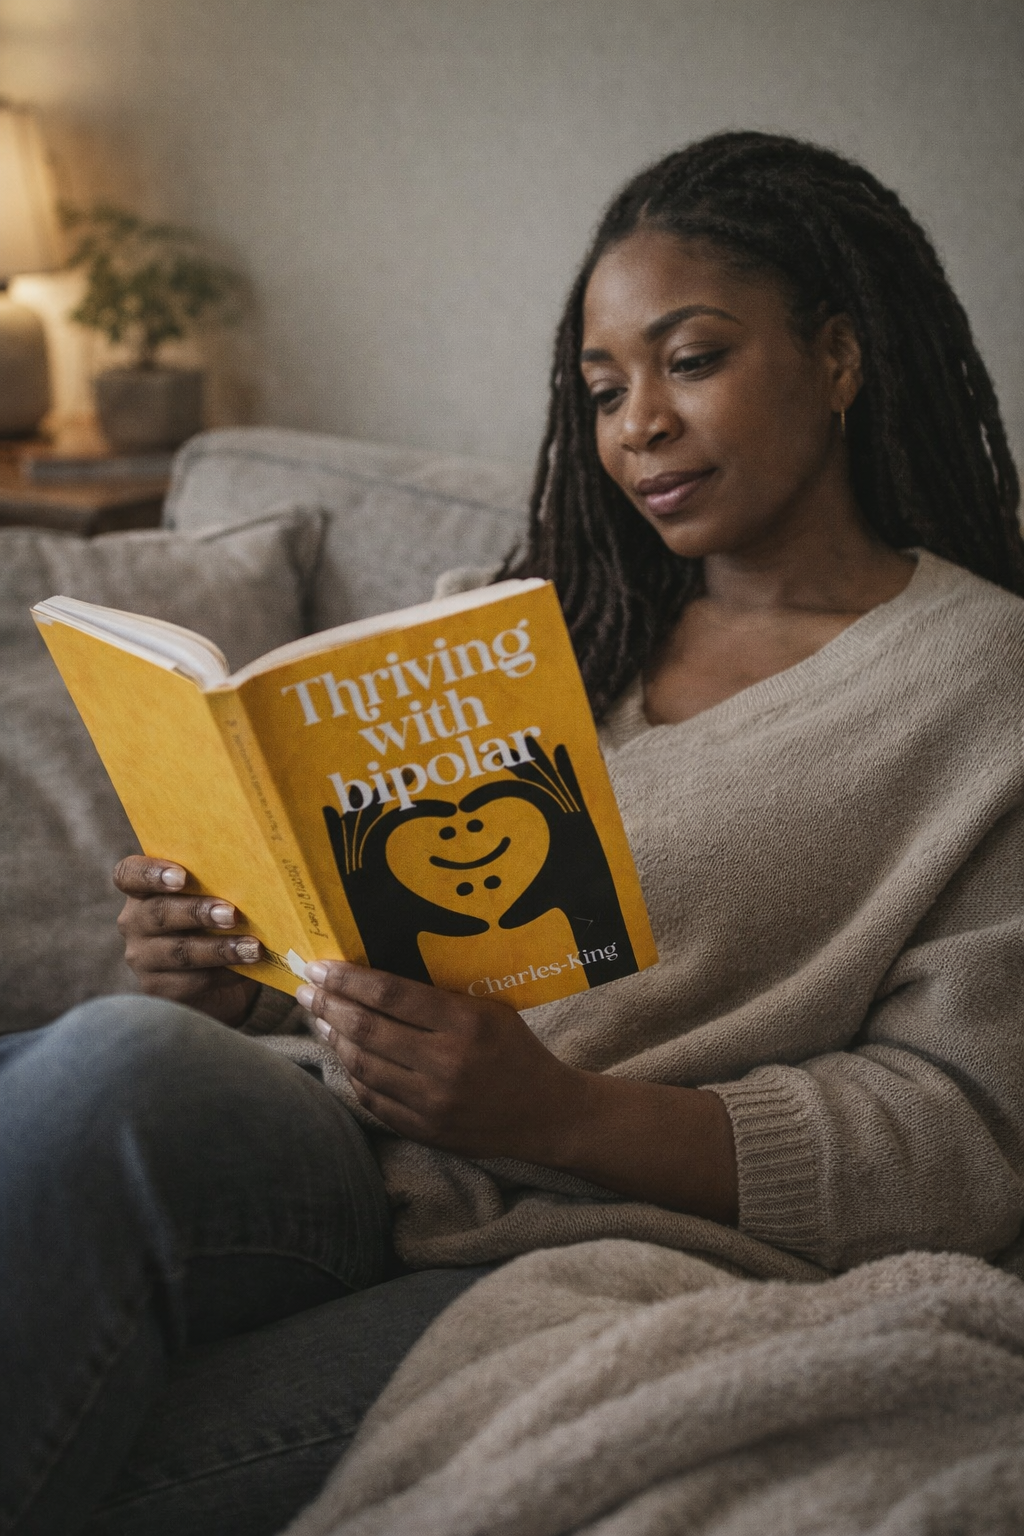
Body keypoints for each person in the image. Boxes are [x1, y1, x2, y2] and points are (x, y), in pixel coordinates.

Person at [4, 130, 1023, 1536]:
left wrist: (563, 1114)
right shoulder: (531, 620)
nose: (637, 425)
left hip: (563, 1244)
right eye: (604, 389)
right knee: (113, 1055)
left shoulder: (981, 687)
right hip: (301, 1139)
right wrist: (234, 968)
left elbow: (962, 1139)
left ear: (839, 357)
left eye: (694, 359)